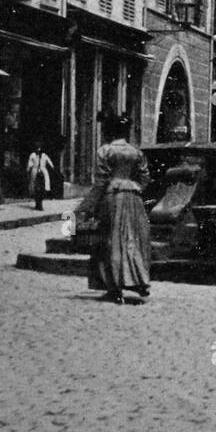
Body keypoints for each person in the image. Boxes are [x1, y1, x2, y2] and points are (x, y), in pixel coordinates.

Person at [88, 113, 152, 304]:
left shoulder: (105, 151)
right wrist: (134, 188)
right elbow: (145, 177)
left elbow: (100, 182)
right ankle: (139, 281)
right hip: (134, 198)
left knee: (110, 240)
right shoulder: (136, 152)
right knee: (134, 238)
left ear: (109, 131)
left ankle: (114, 288)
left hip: (112, 196)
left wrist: (87, 206)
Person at [26, 139, 57, 212]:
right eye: (37, 149)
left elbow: (51, 164)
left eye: (39, 149)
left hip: (42, 172)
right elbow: (29, 165)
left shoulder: (44, 155)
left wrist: (50, 169)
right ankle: (38, 203)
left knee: (42, 188)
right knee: (36, 188)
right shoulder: (33, 155)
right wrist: (28, 171)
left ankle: (40, 203)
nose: (38, 151)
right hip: (35, 172)